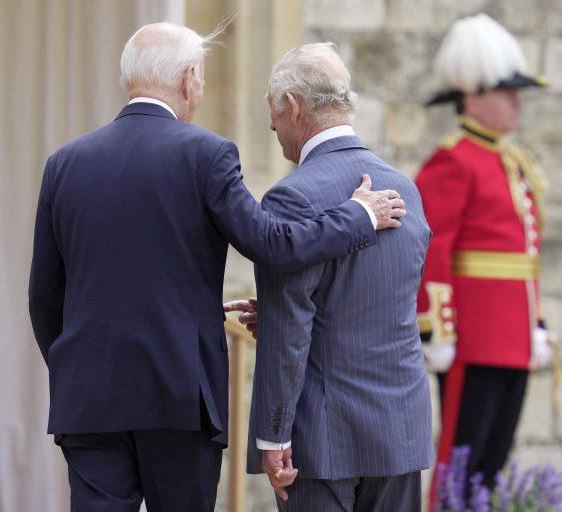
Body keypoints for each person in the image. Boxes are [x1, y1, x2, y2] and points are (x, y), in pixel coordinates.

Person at [28, 22, 409, 512]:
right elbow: (272, 243)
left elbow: (43, 295)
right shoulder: (206, 154)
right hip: (180, 394)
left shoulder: (64, 163)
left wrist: (74, 365)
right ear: (189, 78)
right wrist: (358, 215)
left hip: (90, 396)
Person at [245, 43, 434, 511]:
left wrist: (273, 434)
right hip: (401, 431)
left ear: (292, 105)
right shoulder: (405, 187)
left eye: (273, 110)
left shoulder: (290, 197)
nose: (271, 125)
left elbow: (293, 331)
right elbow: (373, 305)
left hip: (325, 437)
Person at [415, 13, 552, 493]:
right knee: (460, 465)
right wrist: (439, 329)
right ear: (472, 97)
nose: (518, 102)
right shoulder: (453, 160)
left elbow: (524, 256)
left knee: (490, 469)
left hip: (512, 336)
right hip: (472, 337)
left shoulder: (510, 161)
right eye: (506, 92)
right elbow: (432, 248)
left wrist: (536, 323)